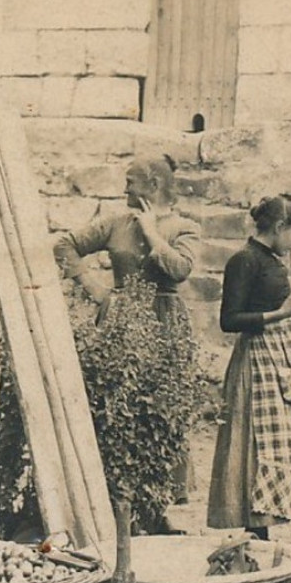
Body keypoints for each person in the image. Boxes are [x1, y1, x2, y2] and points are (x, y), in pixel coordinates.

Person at [53, 153, 201, 507]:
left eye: (131, 181)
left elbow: (180, 269)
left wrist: (151, 233)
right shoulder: (115, 222)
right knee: (120, 407)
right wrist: (93, 287)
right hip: (121, 322)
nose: (124, 187)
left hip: (166, 323)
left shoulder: (185, 227)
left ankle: (159, 506)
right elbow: (64, 245)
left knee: (164, 408)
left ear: (154, 184)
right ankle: (118, 503)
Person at [206, 193, 291, 540]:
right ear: (278, 227)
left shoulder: (272, 259)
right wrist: (281, 314)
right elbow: (229, 320)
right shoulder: (244, 260)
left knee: (279, 442)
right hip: (257, 360)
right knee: (254, 444)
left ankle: (266, 521)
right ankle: (254, 527)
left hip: (281, 357)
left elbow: (276, 308)